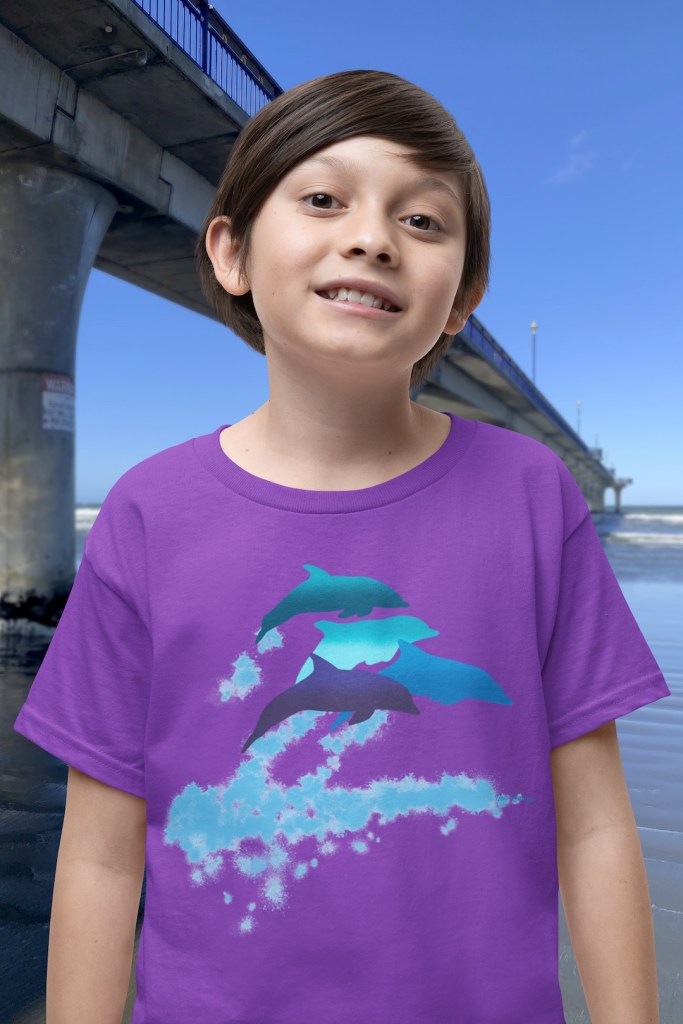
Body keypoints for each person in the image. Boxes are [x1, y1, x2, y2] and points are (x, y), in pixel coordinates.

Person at [13, 69, 670, 1024]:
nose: (371, 238)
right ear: (231, 252)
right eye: (323, 200)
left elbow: (596, 826)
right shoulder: (149, 510)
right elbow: (104, 856)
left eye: (422, 220)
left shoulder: (532, 494)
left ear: (462, 298)